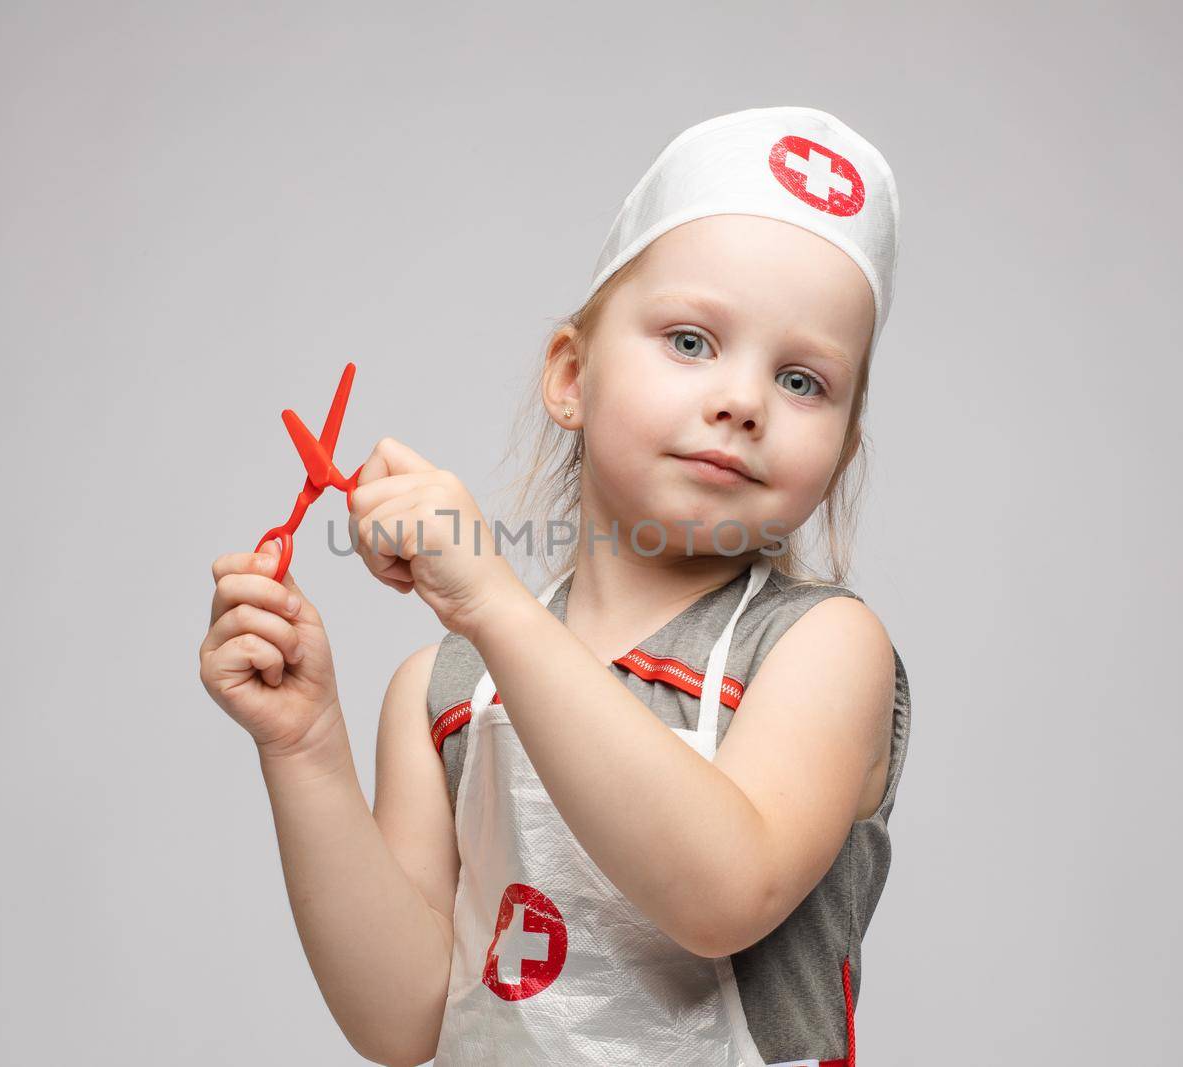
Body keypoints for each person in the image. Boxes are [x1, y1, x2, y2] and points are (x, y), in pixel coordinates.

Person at [199, 105, 912, 1067]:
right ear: (572, 375)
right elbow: (404, 1019)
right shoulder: (442, 693)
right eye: (693, 342)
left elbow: (722, 891)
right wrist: (307, 746)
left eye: (802, 380)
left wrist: (494, 602)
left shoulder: (820, 649)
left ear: (841, 449)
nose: (743, 401)